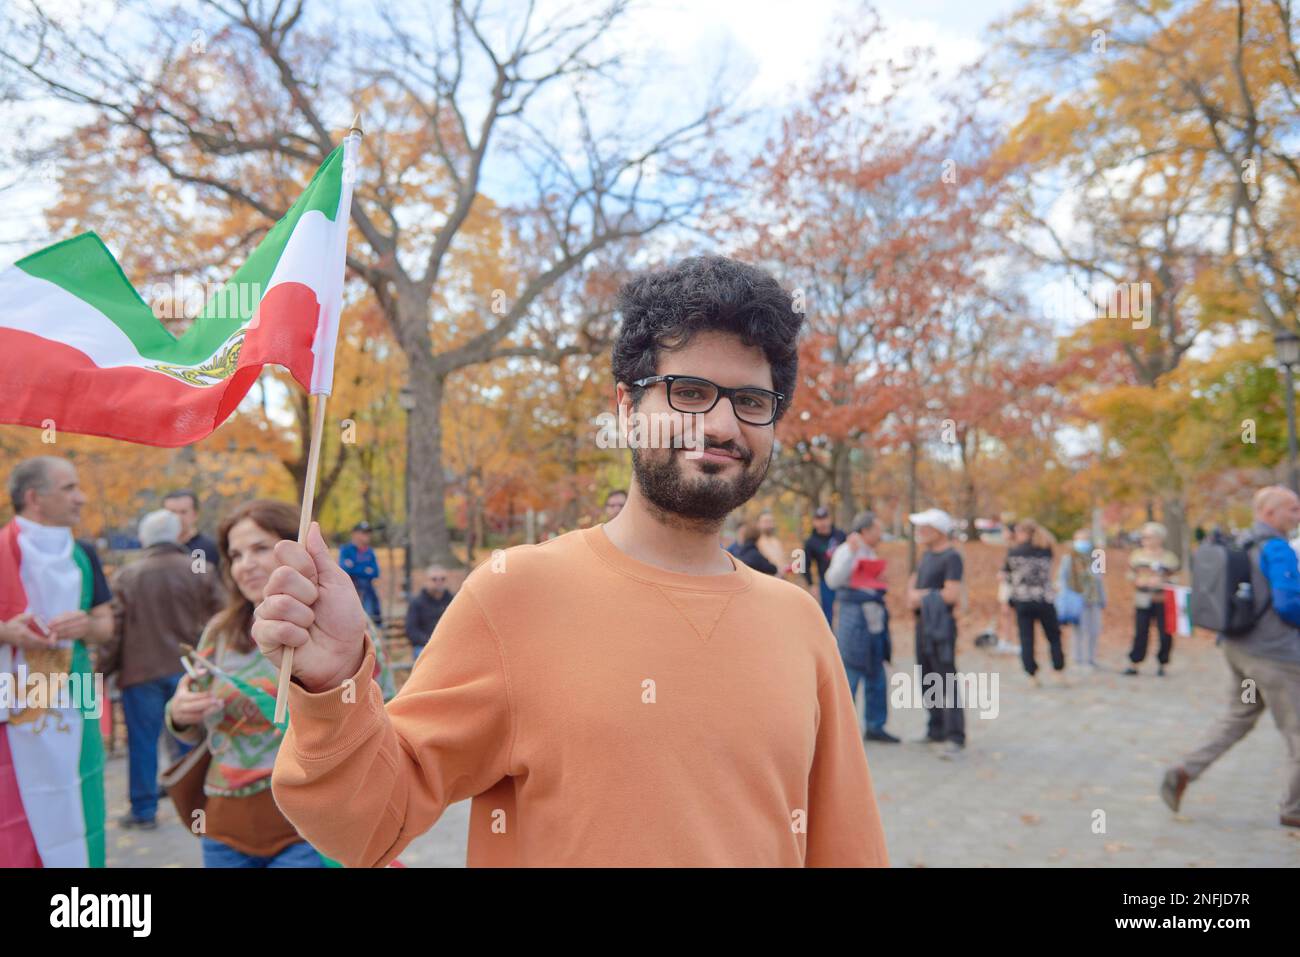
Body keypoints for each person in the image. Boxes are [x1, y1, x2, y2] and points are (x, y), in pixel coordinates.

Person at [258, 255, 888, 866]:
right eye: (689, 392)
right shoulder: (517, 593)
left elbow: (846, 845)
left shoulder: (799, 621)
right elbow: (366, 823)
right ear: (626, 408)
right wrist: (332, 683)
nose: (722, 424)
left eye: (752, 401)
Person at [165, 500, 395, 867]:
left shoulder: (341, 627)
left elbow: (387, 714)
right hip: (224, 827)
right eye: (236, 555)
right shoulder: (220, 633)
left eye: (259, 548)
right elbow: (193, 724)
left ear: (296, 549)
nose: (246, 565)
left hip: (309, 831)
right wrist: (180, 713)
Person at [1161, 486, 1300, 829]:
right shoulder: (1277, 548)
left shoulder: (1242, 542)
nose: (1297, 515)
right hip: (1276, 656)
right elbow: (1289, 603)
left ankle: (1185, 770)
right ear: (1269, 513)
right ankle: (1294, 809)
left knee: (1239, 716)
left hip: (1240, 649)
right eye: (1292, 510)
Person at [0, 456, 113, 867]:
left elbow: (105, 625)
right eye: (68, 488)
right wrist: (7, 632)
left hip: (77, 685)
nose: (81, 498)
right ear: (34, 497)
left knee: (82, 786)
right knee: (15, 798)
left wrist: (86, 624)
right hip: (11, 693)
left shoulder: (83, 553)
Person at [108, 509, 224, 830]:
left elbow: (114, 631)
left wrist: (104, 669)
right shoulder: (200, 570)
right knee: (190, 738)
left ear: (145, 539)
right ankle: (198, 804)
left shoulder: (127, 576)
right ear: (176, 536)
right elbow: (223, 618)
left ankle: (144, 811)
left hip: (140, 671)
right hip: (189, 668)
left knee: (142, 743)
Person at [825, 511, 894, 742]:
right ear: (865, 531)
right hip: (854, 620)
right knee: (851, 674)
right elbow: (832, 580)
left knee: (877, 674)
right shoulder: (847, 550)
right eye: (878, 530)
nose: (881, 535)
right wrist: (851, 554)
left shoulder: (871, 551)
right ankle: (842, 730)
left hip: (874, 620)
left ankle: (875, 725)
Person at [907, 508, 965, 758]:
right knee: (927, 675)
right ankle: (936, 727)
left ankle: (955, 734)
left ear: (939, 530)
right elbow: (912, 588)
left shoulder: (952, 557)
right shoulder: (927, 555)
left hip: (941, 627)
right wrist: (916, 596)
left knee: (946, 677)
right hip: (923, 625)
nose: (919, 532)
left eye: (924, 527)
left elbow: (951, 594)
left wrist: (920, 597)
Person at [1004, 518, 1066, 686]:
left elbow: (1007, 575)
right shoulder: (1046, 550)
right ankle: (1058, 670)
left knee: (1026, 638)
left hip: (1022, 600)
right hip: (1044, 599)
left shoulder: (1014, 552)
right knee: (1053, 636)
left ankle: (1031, 674)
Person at [1125, 521, 1180, 676]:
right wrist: (1139, 581)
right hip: (1143, 599)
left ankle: (1163, 663)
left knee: (1165, 633)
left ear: (1159, 538)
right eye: (1144, 537)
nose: (1145, 540)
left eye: (1149, 537)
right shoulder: (1137, 555)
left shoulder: (1169, 558)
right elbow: (1130, 575)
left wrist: (1164, 582)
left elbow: (1176, 577)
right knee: (1141, 631)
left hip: (1163, 600)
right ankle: (1135, 662)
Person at [1058, 528, 1105, 669]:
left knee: (1094, 629)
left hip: (1094, 598)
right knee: (1079, 629)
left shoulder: (1097, 556)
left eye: (1085, 539)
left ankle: (1090, 658)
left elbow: (1100, 579)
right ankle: (1077, 658)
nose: (1082, 542)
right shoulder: (1069, 558)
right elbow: (1062, 578)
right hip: (1076, 598)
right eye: (1080, 539)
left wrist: (1103, 598)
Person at [803, 506, 847, 626]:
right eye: (819, 519)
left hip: (844, 580)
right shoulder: (811, 541)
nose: (822, 522)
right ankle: (830, 641)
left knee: (846, 611)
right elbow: (804, 565)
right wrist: (811, 584)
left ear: (830, 519)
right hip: (825, 582)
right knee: (827, 614)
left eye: (825, 518)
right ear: (814, 522)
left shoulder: (841, 535)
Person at [163, 489, 221, 574]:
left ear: (195, 515)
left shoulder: (212, 548)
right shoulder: (159, 550)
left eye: (183, 512)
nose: (177, 518)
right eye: (172, 513)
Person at [404, 565, 454, 661]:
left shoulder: (454, 601)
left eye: (443, 579)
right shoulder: (417, 603)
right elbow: (411, 630)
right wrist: (431, 642)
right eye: (434, 579)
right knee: (430, 659)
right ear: (426, 581)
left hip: (449, 645)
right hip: (425, 646)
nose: (439, 582)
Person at [339, 521, 382, 625]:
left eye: (368, 533)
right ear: (354, 534)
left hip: (368, 592)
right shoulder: (346, 550)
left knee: (370, 620)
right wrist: (365, 569)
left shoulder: (369, 551)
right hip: (351, 590)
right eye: (363, 532)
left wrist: (355, 567)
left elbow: (375, 572)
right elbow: (345, 569)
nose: (367, 536)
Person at [755, 510, 788, 576]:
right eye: (766, 521)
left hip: (780, 580)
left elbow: (783, 562)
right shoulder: (755, 543)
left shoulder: (777, 542)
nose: (769, 524)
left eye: (771, 521)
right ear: (758, 524)